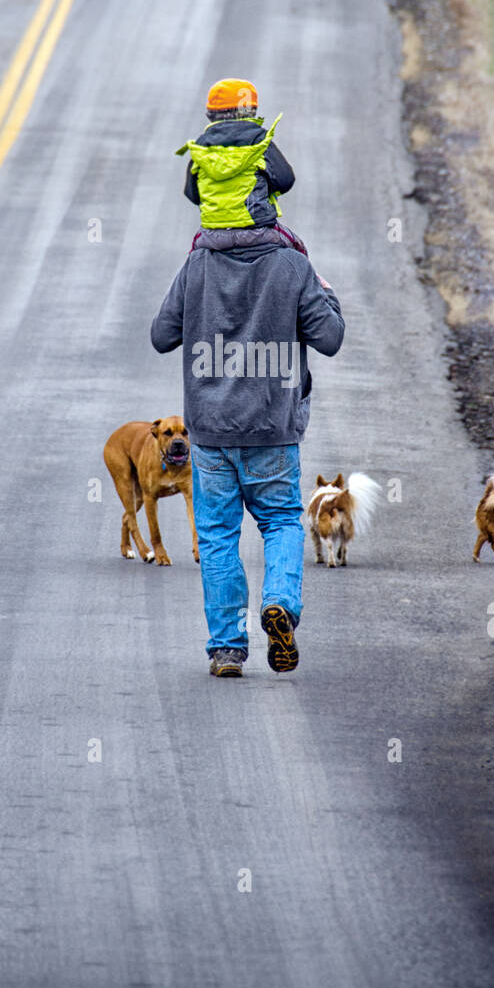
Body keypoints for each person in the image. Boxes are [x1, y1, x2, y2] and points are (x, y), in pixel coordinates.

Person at [150, 195, 344, 677]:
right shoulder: (293, 264)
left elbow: (160, 335)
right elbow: (331, 338)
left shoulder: (196, 263)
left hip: (210, 434)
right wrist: (324, 290)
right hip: (272, 431)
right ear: (270, 206)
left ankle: (227, 649)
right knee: (280, 522)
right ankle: (279, 604)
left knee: (217, 538)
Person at [177, 77, 308, 256]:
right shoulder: (259, 142)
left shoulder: (201, 147)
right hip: (259, 232)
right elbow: (286, 180)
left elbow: (191, 193)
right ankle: (317, 285)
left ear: (209, 114)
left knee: (190, 264)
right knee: (298, 250)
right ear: (252, 111)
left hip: (212, 236)